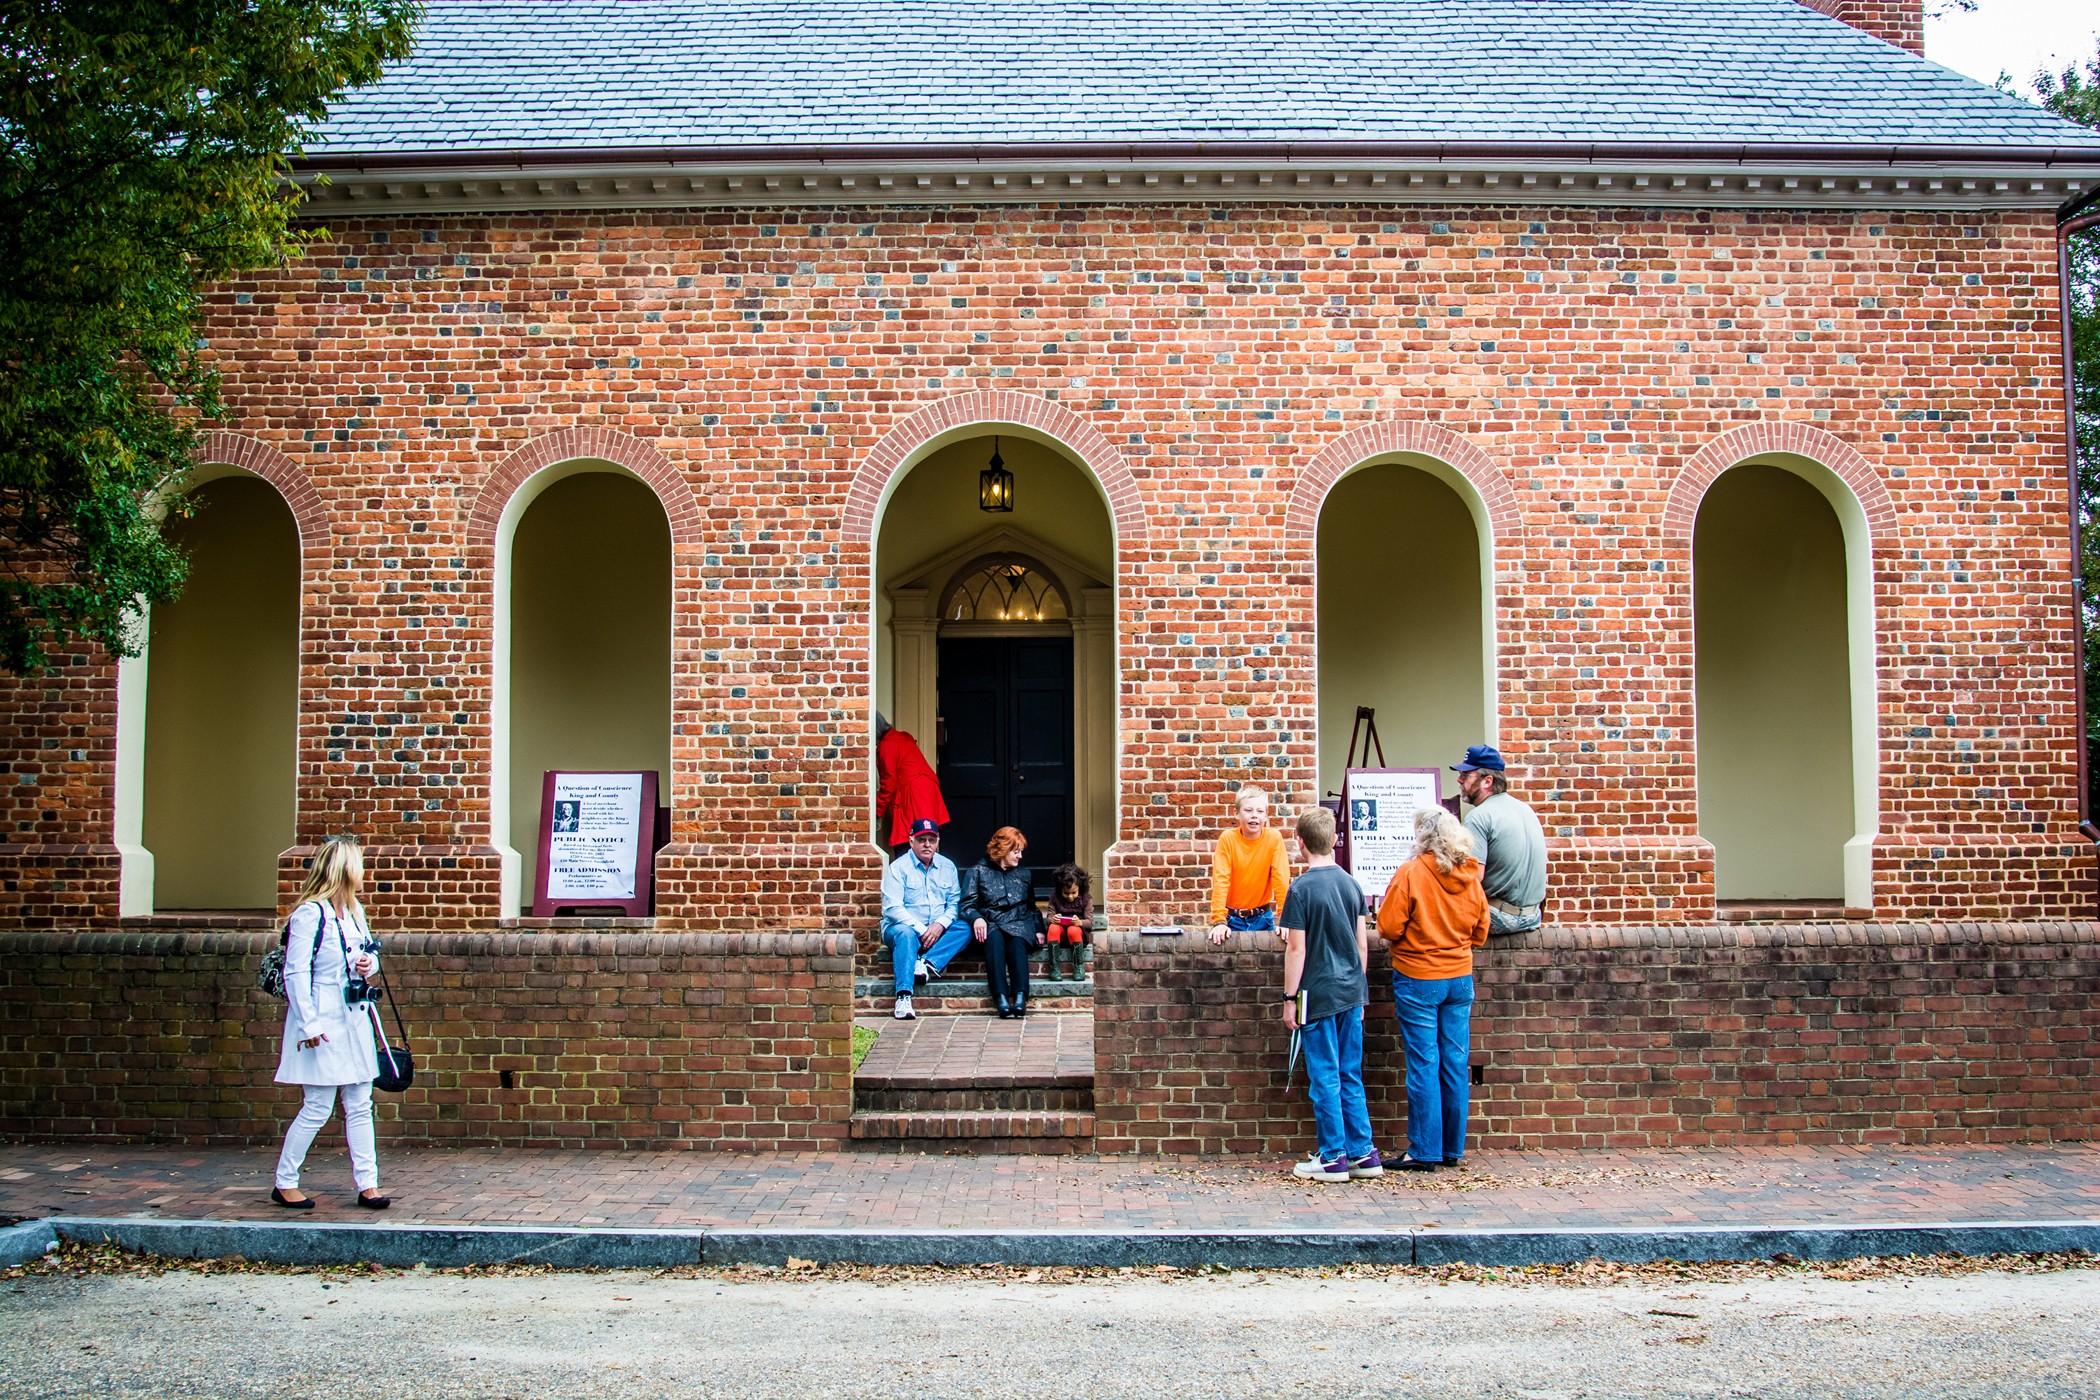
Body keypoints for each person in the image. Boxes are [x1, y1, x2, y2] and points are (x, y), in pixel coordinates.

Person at [272, 834, 391, 1211]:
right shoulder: (310, 913)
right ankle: (285, 1181)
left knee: (359, 1101)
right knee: (318, 1106)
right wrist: (308, 1025)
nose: (363, 873)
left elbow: (370, 957)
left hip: (353, 1017)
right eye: (359, 866)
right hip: (321, 1018)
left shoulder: (355, 912)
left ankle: (368, 1184)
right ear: (344, 870)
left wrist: (367, 965)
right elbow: (295, 972)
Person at [1376, 806, 1491, 1171]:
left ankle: (1424, 1151)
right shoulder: (1470, 875)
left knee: (1424, 1063)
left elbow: (1389, 928)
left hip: (1419, 976)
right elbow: (1482, 931)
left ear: (1422, 835)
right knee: (1456, 1063)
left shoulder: (1412, 872)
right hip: (1459, 977)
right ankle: (1451, 1149)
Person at [1278, 807, 1382, 1182]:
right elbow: (1362, 945)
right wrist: (1360, 988)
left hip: (1316, 994)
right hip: (1352, 992)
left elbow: (1297, 950)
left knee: (1324, 1075)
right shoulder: (1352, 885)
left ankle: (1333, 1155)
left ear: (1300, 843)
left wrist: (1289, 998)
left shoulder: (1301, 890)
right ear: (1335, 841)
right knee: (1349, 1073)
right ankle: (1363, 1153)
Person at [1451, 744, 1547, 936]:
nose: (1459, 779)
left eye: (1466, 775)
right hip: (1533, 915)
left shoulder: (1479, 816)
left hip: (1500, 918)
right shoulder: (1525, 809)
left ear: (1487, 781)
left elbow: (1473, 878)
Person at [880, 816, 964, 1020]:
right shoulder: (898, 868)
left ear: (937, 841)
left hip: (937, 930)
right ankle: (903, 997)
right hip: (903, 929)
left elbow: (954, 904)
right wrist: (922, 929)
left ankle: (926, 963)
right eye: (921, 839)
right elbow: (892, 908)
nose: (927, 844)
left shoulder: (948, 867)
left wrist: (939, 925)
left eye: (931, 839)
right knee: (905, 933)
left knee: (965, 927)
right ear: (911, 841)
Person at [963, 826, 1041, 1018]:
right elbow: (967, 905)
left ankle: (1021, 995)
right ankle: (1001, 998)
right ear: (1003, 850)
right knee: (995, 942)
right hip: (991, 923)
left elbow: (1032, 906)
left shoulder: (1024, 874)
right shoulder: (977, 872)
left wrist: (1039, 929)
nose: (1020, 856)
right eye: (1016, 852)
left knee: (1017, 943)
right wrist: (977, 918)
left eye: (1021, 851)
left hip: (1019, 922)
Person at [1207, 784, 1291, 946]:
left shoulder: (1273, 838)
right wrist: (1219, 921)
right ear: (1236, 813)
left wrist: (1285, 918)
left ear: (1266, 815)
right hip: (1233, 919)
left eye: (1260, 811)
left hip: (1263, 917)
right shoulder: (1227, 839)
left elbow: (1281, 879)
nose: (1254, 816)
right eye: (1248, 810)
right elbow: (1221, 879)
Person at [875, 713, 950, 855]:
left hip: (912, 795)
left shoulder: (888, 745)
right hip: (926, 792)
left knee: (911, 844)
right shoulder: (899, 739)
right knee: (927, 839)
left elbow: (888, 783)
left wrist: (876, 811)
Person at [1044, 862, 1093, 982]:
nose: (1070, 896)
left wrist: (1080, 922)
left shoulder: (1086, 899)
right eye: (1066, 893)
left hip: (1076, 934)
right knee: (1053, 927)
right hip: (1059, 934)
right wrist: (1053, 919)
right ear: (1060, 888)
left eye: (1073, 893)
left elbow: (1090, 922)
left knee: (1073, 929)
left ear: (1080, 888)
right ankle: (1055, 967)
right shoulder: (1054, 898)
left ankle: (1078, 967)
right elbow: (1048, 918)